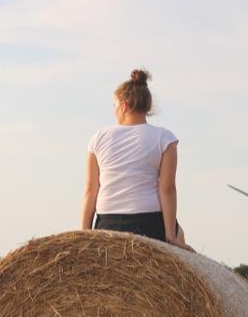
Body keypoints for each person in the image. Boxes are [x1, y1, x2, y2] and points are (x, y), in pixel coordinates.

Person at [81, 69, 193, 251]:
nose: (114, 110)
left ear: (124, 105)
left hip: (107, 223)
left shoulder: (98, 138)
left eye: (114, 105)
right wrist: (171, 236)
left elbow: (90, 190)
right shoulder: (165, 138)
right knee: (180, 233)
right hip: (148, 222)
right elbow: (167, 189)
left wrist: (84, 235)